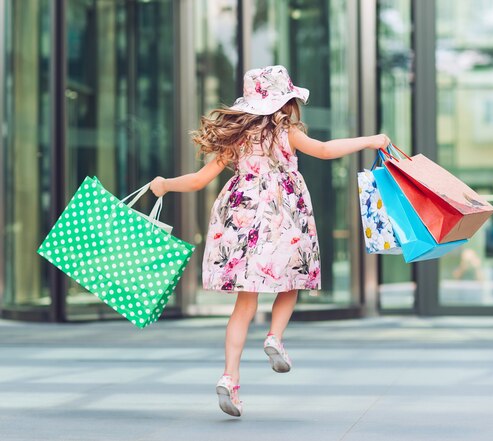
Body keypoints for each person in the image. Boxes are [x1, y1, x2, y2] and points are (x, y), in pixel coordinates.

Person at [149, 65, 389, 417]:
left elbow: (199, 180)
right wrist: (370, 140)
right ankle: (275, 337)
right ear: (286, 101)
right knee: (289, 282)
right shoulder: (287, 131)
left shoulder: (237, 138)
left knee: (244, 307)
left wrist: (165, 184)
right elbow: (323, 149)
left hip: (243, 218)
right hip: (282, 217)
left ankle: (229, 377)